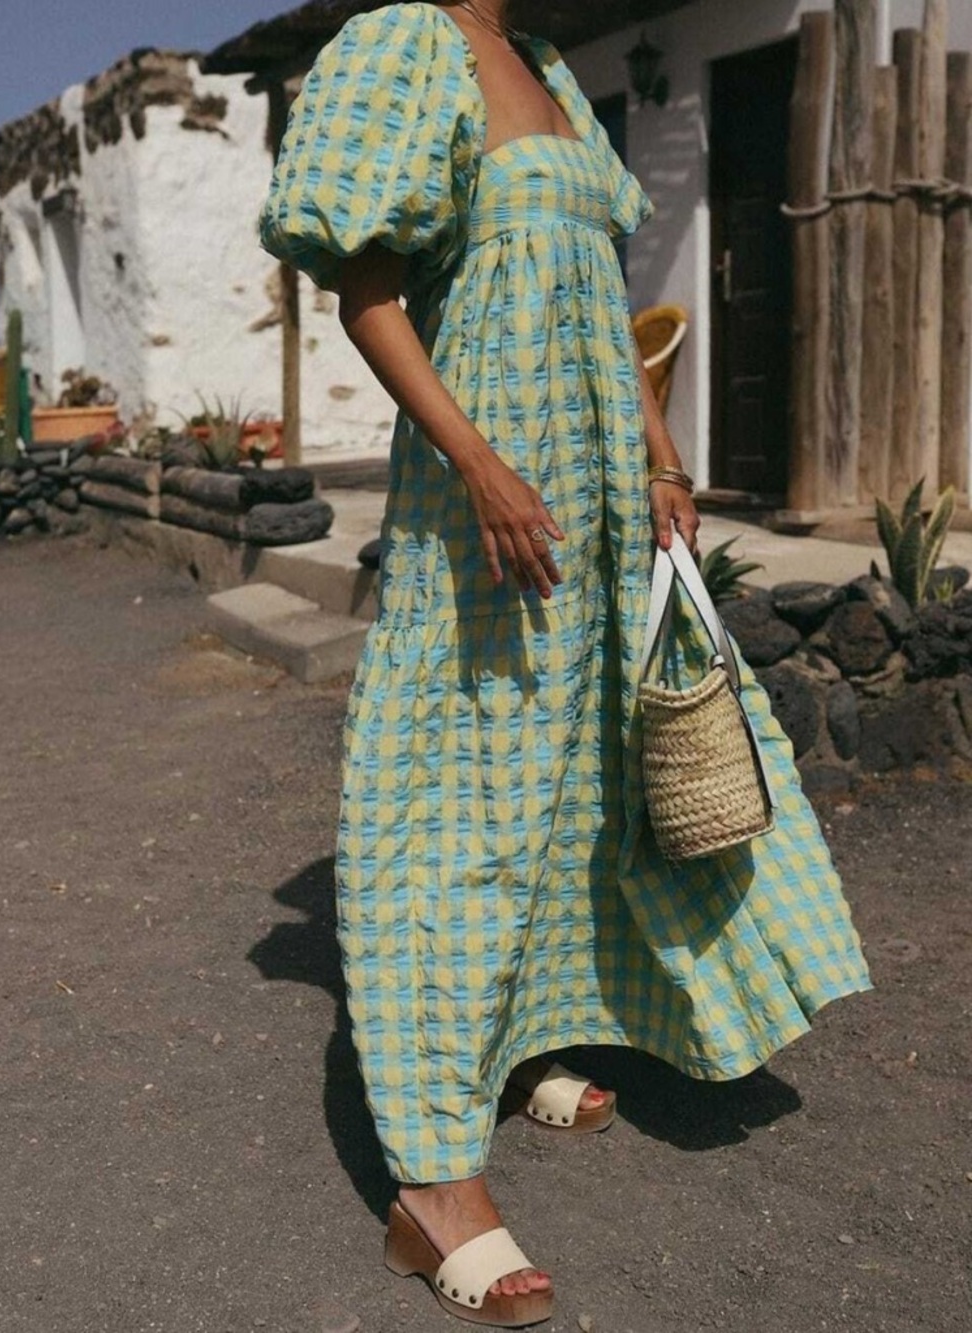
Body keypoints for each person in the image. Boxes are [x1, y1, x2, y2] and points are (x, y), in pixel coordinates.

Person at [260, 2, 872, 1326]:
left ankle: (522, 1034)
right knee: (464, 803)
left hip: (593, 501)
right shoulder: (405, 45)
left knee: (577, 780)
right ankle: (433, 1185)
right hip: (490, 510)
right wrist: (480, 466)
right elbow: (367, 299)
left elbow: (601, 300)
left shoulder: (543, 65)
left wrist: (662, 457)